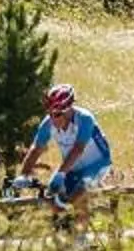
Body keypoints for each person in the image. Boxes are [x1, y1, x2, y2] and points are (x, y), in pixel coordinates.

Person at [19, 83, 113, 225]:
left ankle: (81, 240)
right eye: (50, 113)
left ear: (68, 110)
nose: (53, 119)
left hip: (97, 164)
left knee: (78, 195)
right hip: (72, 167)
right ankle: (67, 233)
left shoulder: (85, 119)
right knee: (51, 197)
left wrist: (61, 173)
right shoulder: (48, 123)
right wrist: (23, 175)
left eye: (57, 114)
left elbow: (78, 149)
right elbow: (36, 150)